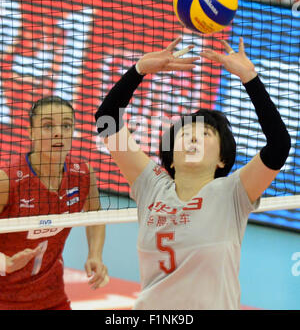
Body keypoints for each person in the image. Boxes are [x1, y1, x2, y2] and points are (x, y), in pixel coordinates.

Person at [95, 37, 291, 310]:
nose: (193, 139)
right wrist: (139, 69)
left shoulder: (234, 192)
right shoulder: (151, 184)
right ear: (171, 158)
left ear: (222, 159)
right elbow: (107, 121)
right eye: (185, 133)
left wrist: (249, 78)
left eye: (206, 134)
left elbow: (279, 145)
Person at [0, 96, 108, 310]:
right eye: (48, 126)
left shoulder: (83, 174)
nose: (59, 132)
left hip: (52, 297)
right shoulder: (7, 180)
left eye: (66, 125)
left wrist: (95, 254)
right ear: (31, 132)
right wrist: (5, 262)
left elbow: (96, 216)